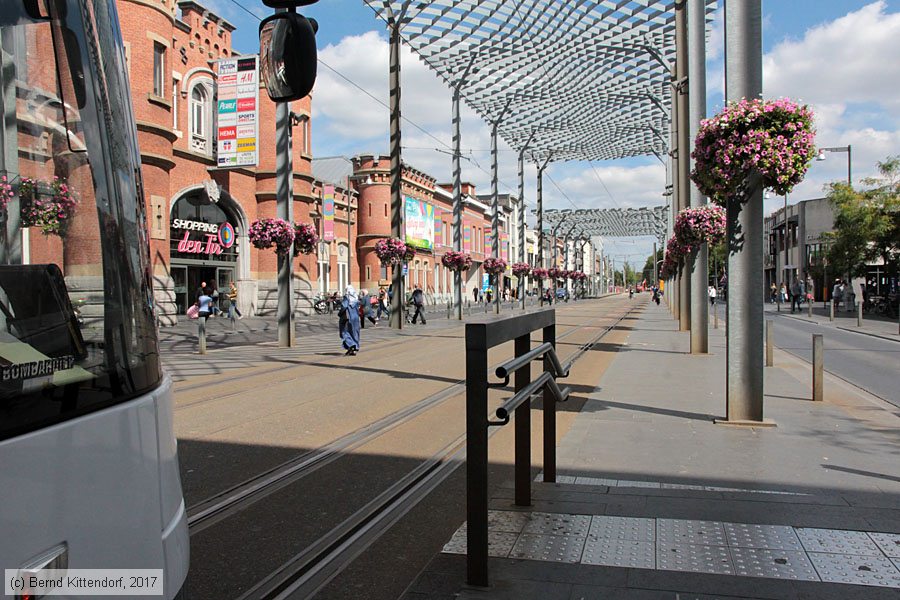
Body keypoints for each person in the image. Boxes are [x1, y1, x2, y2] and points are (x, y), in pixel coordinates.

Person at [339, 285, 361, 356]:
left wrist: (340, 313)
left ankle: (351, 345)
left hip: (348, 317)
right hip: (356, 317)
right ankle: (355, 347)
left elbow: (344, 306)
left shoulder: (347, 297)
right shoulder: (356, 298)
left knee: (344, 331)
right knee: (354, 332)